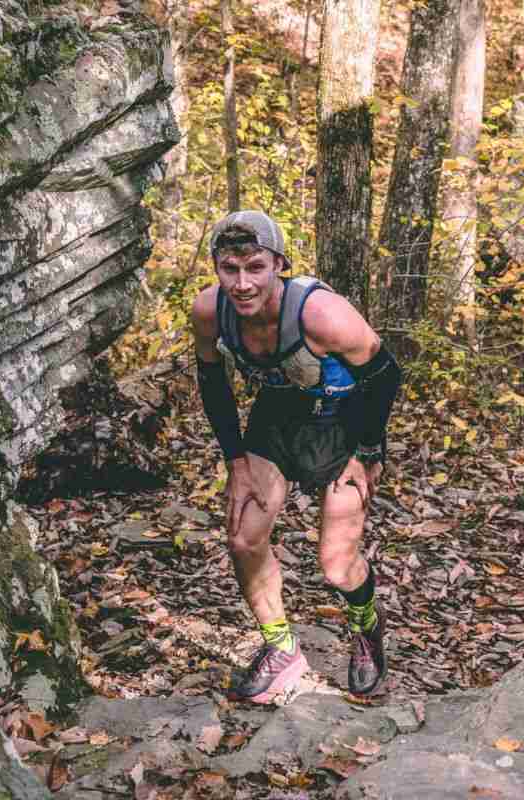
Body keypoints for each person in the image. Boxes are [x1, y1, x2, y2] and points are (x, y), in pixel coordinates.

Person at [190, 210, 402, 702]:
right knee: (243, 537)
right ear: (217, 269)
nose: (242, 283)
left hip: (343, 422)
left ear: (278, 264)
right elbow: (212, 381)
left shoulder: (319, 314)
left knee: (336, 565)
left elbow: (385, 374)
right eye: (229, 269)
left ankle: (366, 627)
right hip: (277, 418)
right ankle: (281, 647)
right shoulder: (209, 311)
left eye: (255, 267)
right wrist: (236, 462)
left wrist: (368, 450)